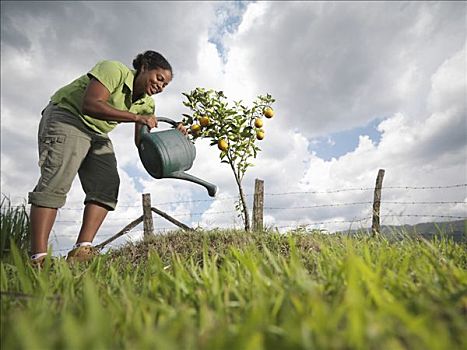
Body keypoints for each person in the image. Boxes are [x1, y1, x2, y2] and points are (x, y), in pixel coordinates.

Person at [28, 50, 186, 265]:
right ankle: (38, 258)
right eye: (159, 78)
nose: (160, 86)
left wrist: (174, 135)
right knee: (57, 181)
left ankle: (81, 251)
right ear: (145, 67)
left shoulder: (146, 104)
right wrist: (137, 117)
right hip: (69, 117)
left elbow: (141, 142)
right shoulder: (114, 70)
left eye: (165, 85)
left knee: (107, 184)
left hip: (98, 132)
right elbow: (91, 104)